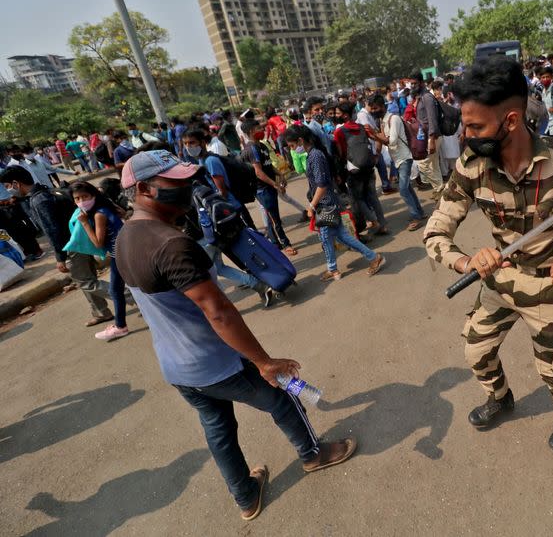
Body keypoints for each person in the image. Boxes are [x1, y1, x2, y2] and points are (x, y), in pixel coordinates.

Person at [115, 150, 356, 521]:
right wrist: (264, 362)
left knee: (218, 429)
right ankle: (314, 455)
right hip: (215, 360)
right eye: (175, 183)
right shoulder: (170, 244)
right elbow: (219, 311)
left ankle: (245, 496)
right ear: (145, 189)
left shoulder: (126, 236)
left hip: (177, 366)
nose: (187, 187)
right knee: (283, 397)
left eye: (186, 179)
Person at [423, 56, 553, 453]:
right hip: (501, 277)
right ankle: (500, 397)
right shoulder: (471, 167)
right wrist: (465, 261)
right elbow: (436, 230)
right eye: (465, 124)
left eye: (476, 126)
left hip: (552, 281)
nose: (466, 135)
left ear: (511, 120)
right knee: (476, 348)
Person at [285, 124, 385, 281]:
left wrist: (311, 206)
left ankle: (340, 267)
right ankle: (364, 259)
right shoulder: (313, 154)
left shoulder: (315, 155)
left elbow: (322, 185)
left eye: (292, 145)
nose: (292, 149)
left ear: (300, 140)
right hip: (326, 202)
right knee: (340, 236)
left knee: (328, 237)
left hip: (326, 204)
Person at [70, 181, 128, 341]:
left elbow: (98, 243)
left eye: (85, 197)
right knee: (125, 288)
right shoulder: (106, 206)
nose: (81, 201)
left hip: (121, 254)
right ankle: (121, 324)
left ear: (93, 195)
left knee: (116, 291)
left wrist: (83, 223)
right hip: (125, 250)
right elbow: (122, 214)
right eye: (77, 199)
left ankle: (120, 326)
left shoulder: (98, 214)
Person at [364, 94, 427, 231]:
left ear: (382, 107)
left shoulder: (394, 119)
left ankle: (415, 217)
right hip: (397, 159)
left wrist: (374, 134)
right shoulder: (382, 121)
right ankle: (420, 213)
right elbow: (381, 140)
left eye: (375, 108)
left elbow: (390, 141)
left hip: (404, 158)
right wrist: (376, 153)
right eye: (372, 108)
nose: (373, 111)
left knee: (403, 189)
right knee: (408, 188)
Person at [1, 166, 72, 275]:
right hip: (72, 243)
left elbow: (52, 231)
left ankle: (108, 290)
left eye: (7, 186)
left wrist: (60, 258)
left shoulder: (38, 201)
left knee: (87, 282)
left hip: (71, 248)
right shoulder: (42, 191)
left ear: (16, 184)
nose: (8, 191)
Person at [240, 119, 296, 255]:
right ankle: (285, 243)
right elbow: (258, 172)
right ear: (251, 131)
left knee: (272, 217)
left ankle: (275, 244)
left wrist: (280, 174)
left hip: (268, 187)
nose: (263, 130)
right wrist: (275, 185)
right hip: (262, 189)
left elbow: (268, 165)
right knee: (274, 219)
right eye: (259, 128)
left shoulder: (262, 146)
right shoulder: (251, 149)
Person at [334, 101, 388, 236]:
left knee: (356, 197)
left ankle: (373, 220)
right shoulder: (363, 127)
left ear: (345, 115)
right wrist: (376, 155)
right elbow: (377, 139)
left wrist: (340, 171)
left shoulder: (339, 132)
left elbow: (341, 153)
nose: (336, 115)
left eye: (338, 113)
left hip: (354, 170)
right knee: (373, 197)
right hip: (369, 166)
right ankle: (382, 225)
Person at [182, 129, 256, 230]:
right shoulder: (202, 160)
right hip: (230, 205)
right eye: (185, 143)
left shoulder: (210, 161)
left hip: (232, 206)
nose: (188, 147)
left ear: (202, 143)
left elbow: (222, 192)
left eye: (192, 142)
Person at [410, 70, 445, 198]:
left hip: (432, 137)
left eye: (414, 83)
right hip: (426, 136)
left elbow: (432, 119)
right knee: (434, 165)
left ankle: (442, 189)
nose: (412, 86)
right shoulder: (421, 97)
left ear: (421, 83)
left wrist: (431, 140)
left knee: (422, 164)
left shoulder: (427, 97)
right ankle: (439, 190)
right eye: (411, 84)